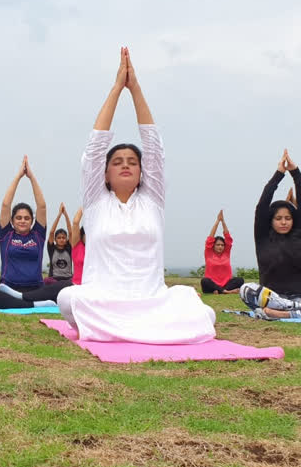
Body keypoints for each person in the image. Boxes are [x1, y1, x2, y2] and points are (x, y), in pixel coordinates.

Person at [56, 47, 215, 344]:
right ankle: (133, 329)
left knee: (202, 310)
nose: (126, 165)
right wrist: (117, 88)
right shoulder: (96, 202)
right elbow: (93, 151)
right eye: (117, 162)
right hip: (104, 300)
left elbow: (154, 148)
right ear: (104, 174)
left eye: (132, 162)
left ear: (143, 172)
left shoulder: (152, 200)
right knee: (67, 297)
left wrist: (136, 89)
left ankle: (115, 330)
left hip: (149, 300)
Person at [0, 156, 71, 309]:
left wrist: (31, 177)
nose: (22, 220)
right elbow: (5, 205)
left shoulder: (38, 235)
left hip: (36, 289)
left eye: (27, 218)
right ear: (13, 221)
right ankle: (32, 304)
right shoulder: (6, 235)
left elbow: (41, 206)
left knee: (66, 287)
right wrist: (18, 176)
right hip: (8, 288)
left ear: (32, 221)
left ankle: (24, 300)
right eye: (19, 218)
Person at [239, 150, 301, 319]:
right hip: (271, 298)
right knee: (246, 289)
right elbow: (261, 206)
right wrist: (279, 174)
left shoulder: (298, 235)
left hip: (298, 296)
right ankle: (290, 311)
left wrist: (296, 174)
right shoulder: (263, 237)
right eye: (278, 218)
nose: (283, 222)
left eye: (288, 218)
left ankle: (284, 312)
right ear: (271, 220)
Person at [201, 210, 243, 294]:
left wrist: (223, 221)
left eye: (222, 245)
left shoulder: (226, 253)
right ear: (213, 245)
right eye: (218, 245)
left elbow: (228, 238)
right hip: (212, 284)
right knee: (205, 281)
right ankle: (226, 291)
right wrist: (217, 221)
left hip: (225, 284)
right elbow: (210, 237)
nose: (220, 247)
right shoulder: (209, 252)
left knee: (240, 280)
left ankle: (220, 291)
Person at [46, 203, 73, 282]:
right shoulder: (52, 249)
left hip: (68, 279)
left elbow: (71, 232)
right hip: (54, 279)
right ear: (55, 239)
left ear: (66, 239)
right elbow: (51, 232)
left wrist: (65, 214)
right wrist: (59, 214)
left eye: (63, 238)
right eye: (59, 238)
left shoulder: (69, 248)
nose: (61, 239)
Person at [70, 207, 85, 285]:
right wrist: (86, 204)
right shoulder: (77, 245)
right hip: (77, 285)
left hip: (93, 286)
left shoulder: (97, 248)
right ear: (82, 235)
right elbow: (75, 222)